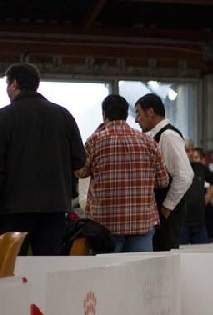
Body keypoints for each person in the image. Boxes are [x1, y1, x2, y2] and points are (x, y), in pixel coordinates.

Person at [0, 63, 86, 255]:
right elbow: (80, 159)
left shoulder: (5, 117)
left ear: (13, 84)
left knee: (13, 266)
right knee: (48, 265)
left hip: (14, 209)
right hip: (55, 207)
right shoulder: (63, 115)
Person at [76, 94, 169, 252]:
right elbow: (163, 181)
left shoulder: (95, 141)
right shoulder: (148, 142)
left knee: (107, 275)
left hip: (105, 226)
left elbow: (81, 172)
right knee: (140, 274)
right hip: (142, 223)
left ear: (104, 115)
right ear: (127, 114)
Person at [134, 93, 193, 251]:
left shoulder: (168, 136)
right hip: (162, 210)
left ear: (150, 112)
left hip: (167, 212)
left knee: (165, 257)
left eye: (138, 113)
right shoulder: (157, 136)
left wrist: (167, 207)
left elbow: (185, 175)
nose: (136, 119)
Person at [180, 145, 213, 245]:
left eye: (190, 150)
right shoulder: (176, 167)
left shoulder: (200, 167)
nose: (189, 153)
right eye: (186, 150)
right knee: (181, 254)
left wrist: (208, 195)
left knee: (201, 254)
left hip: (199, 221)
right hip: (182, 222)